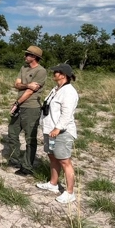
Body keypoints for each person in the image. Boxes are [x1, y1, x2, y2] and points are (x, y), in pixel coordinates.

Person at [36, 63, 79, 204]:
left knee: (64, 160)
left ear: (63, 75)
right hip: (50, 130)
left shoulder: (69, 92)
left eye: (56, 72)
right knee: (52, 157)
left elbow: (67, 113)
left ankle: (70, 192)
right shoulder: (56, 89)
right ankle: (53, 184)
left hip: (61, 132)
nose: (53, 74)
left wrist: (58, 128)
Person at [6, 45, 48, 176]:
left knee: (30, 137)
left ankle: (27, 166)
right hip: (20, 105)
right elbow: (17, 84)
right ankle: (15, 159)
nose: (25, 57)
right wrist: (26, 85)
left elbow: (31, 91)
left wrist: (17, 103)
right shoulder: (23, 68)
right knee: (12, 132)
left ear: (34, 57)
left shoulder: (41, 71)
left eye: (27, 55)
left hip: (31, 108)